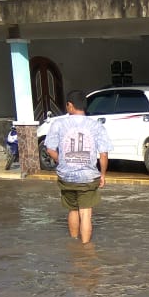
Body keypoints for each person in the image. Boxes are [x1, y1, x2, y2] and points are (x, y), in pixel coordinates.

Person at [44, 89, 111, 245]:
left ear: (70, 105)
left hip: (66, 176)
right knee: (85, 213)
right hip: (88, 177)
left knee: (72, 210)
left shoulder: (58, 123)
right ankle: (85, 249)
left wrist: (63, 162)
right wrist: (102, 175)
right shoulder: (96, 126)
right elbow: (104, 154)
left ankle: (74, 244)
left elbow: (50, 149)